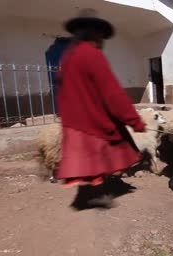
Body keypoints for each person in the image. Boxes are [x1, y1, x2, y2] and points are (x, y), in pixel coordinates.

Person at [56, 9, 146, 202]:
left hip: (74, 122)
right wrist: (135, 121)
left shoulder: (68, 57)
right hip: (92, 120)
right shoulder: (91, 55)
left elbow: (63, 91)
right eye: (101, 35)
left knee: (89, 160)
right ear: (94, 33)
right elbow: (113, 94)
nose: (103, 40)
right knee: (115, 146)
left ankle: (93, 186)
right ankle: (96, 189)